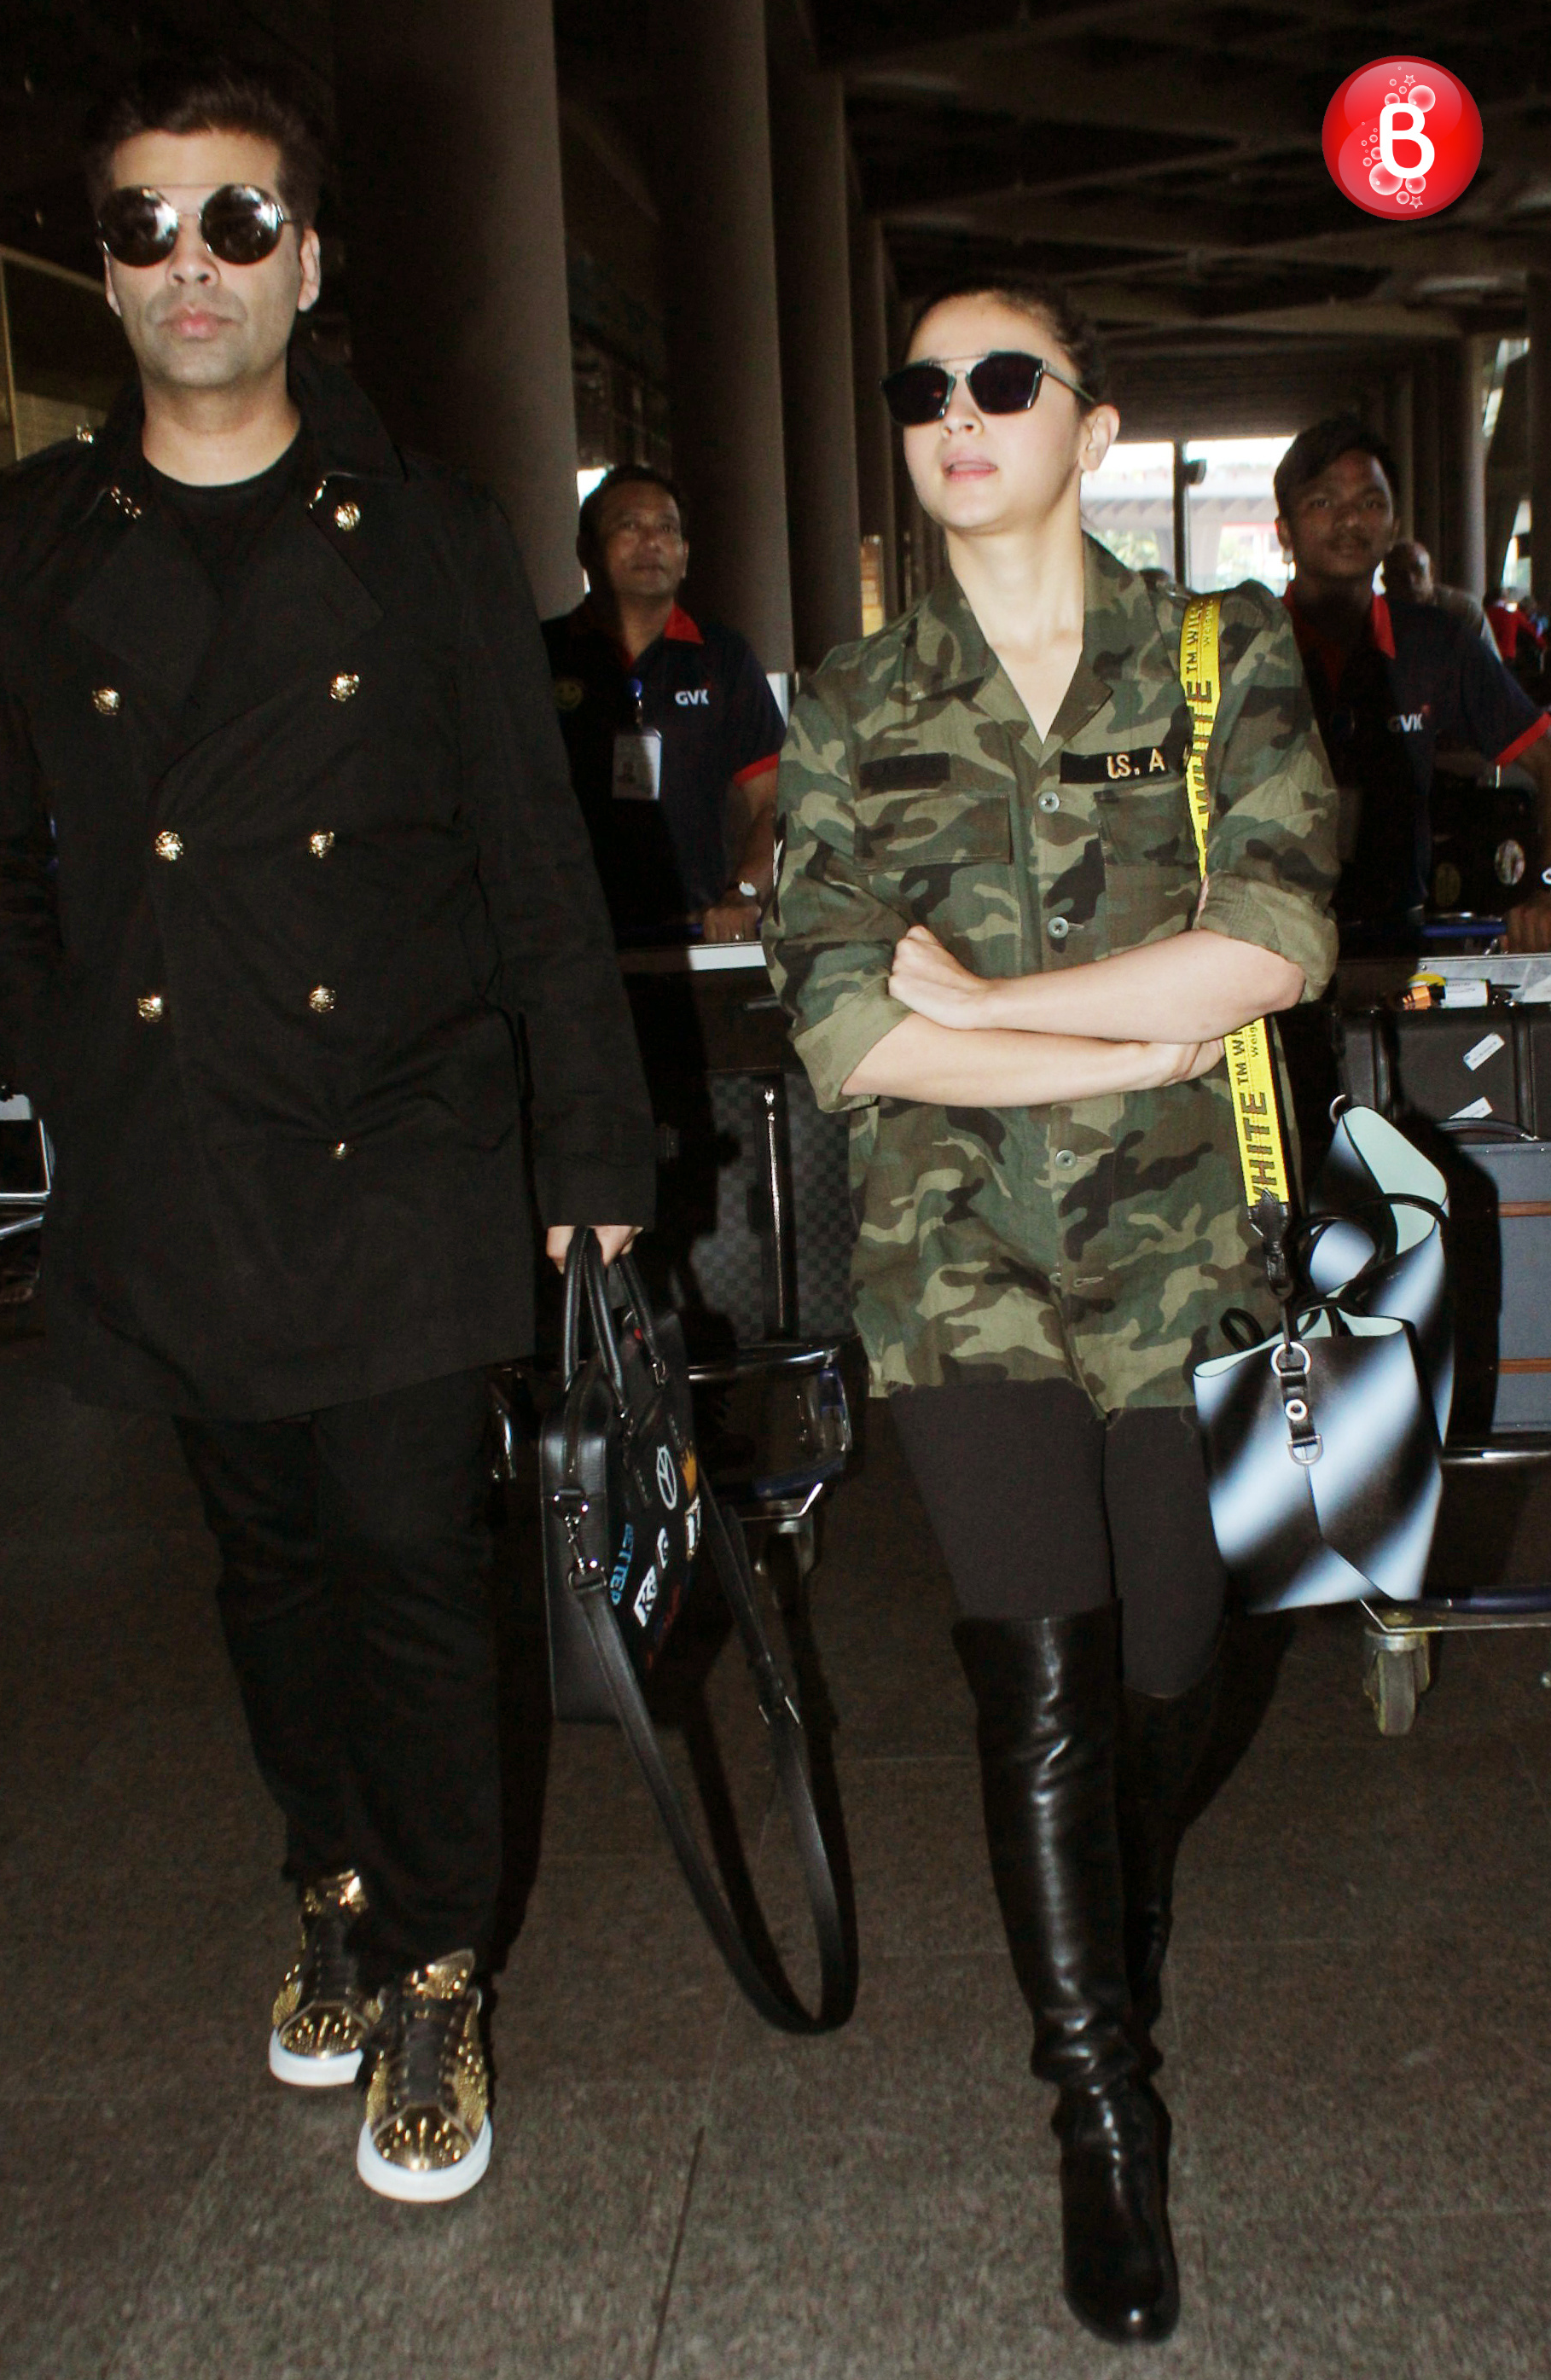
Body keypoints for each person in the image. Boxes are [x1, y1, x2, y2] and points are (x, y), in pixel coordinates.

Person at [0, 60, 654, 2205]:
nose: (194, 264)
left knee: (412, 1559)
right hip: (178, 1142)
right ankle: (326, 1879)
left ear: (308, 263)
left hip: (401, 1136)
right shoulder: (22, 545)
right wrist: (75, 1056)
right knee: (267, 1565)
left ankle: (433, 1963)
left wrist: (591, 1160)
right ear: (105, 269)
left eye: (238, 222)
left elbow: (533, 863)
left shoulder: (424, 535)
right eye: (146, 226)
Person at [764, 275, 1339, 2344]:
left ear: (1091, 430)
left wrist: (998, 1006)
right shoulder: (845, 702)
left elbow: (1269, 942)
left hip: (1190, 1257)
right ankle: (1102, 2112)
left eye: (1003, 379)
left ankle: (1108, 1884)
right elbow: (844, 1028)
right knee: (1036, 1686)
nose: (957, 411)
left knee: (1173, 1655)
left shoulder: (1220, 651)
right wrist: (1123, 1030)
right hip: (954, 1266)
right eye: (923, 385)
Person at [1274, 419, 1551, 952]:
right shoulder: (1239, 645)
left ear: (1394, 524)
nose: (1350, 519)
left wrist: (1546, 885)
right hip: (1263, 952)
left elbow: (1546, 758)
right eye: (1324, 502)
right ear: (1284, 530)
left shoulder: (1437, 644)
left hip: (1398, 948)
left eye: (1371, 503)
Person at [543, 466, 784, 943]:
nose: (652, 542)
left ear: (685, 556)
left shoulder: (722, 658)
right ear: (586, 551)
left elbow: (774, 802)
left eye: (667, 528)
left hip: (697, 937)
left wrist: (744, 893)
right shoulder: (542, 656)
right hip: (571, 941)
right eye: (629, 525)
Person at [1382, 537, 1500, 656]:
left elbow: (1490, 662)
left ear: (1431, 572)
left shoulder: (1464, 610)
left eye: (1418, 570)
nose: (1410, 581)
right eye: (1399, 574)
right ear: (1385, 581)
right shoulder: (1378, 614)